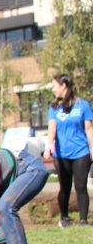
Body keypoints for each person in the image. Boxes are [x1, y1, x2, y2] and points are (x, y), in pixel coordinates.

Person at [43, 73, 93, 227]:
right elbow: (52, 128)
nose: (53, 89)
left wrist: (92, 148)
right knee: (64, 187)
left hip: (81, 152)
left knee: (80, 186)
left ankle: (83, 221)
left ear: (63, 85)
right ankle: (64, 218)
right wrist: (48, 147)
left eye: (54, 86)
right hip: (61, 154)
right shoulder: (54, 108)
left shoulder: (83, 105)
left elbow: (89, 129)